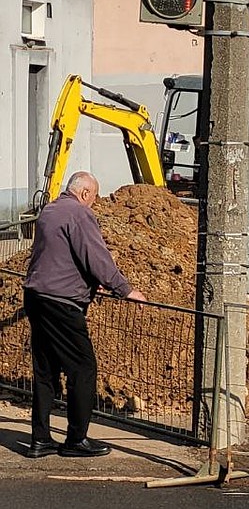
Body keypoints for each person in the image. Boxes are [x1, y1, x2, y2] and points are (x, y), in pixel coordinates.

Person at [24, 172, 147, 459]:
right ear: (84, 193)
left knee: (45, 371)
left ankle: (40, 439)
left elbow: (61, 255)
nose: (93, 203)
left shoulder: (50, 210)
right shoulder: (79, 214)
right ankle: (76, 439)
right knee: (83, 368)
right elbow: (96, 256)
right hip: (61, 303)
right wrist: (125, 289)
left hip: (36, 296)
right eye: (93, 197)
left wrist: (91, 281)